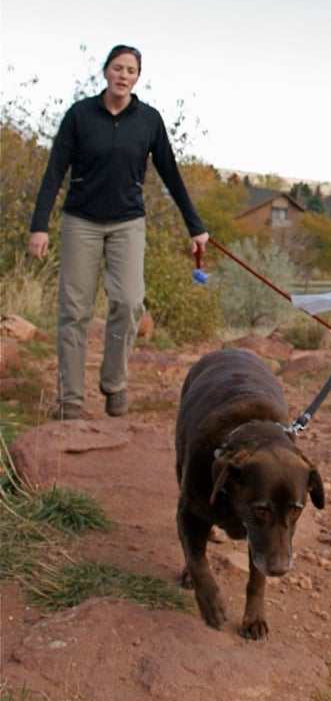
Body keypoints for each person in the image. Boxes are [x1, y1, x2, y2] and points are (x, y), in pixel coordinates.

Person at [28, 45, 209, 420]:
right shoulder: (80, 116)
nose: (123, 75)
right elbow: (54, 171)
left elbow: (170, 174)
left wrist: (195, 226)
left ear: (137, 78)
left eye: (131, 70)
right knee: (73, 310)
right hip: (81, 221)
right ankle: (70, 399)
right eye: (118, 68)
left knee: (128, 302)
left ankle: (114, 384)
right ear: (106, 72)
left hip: (128, 222)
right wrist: (39, 225)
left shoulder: (148, 121)